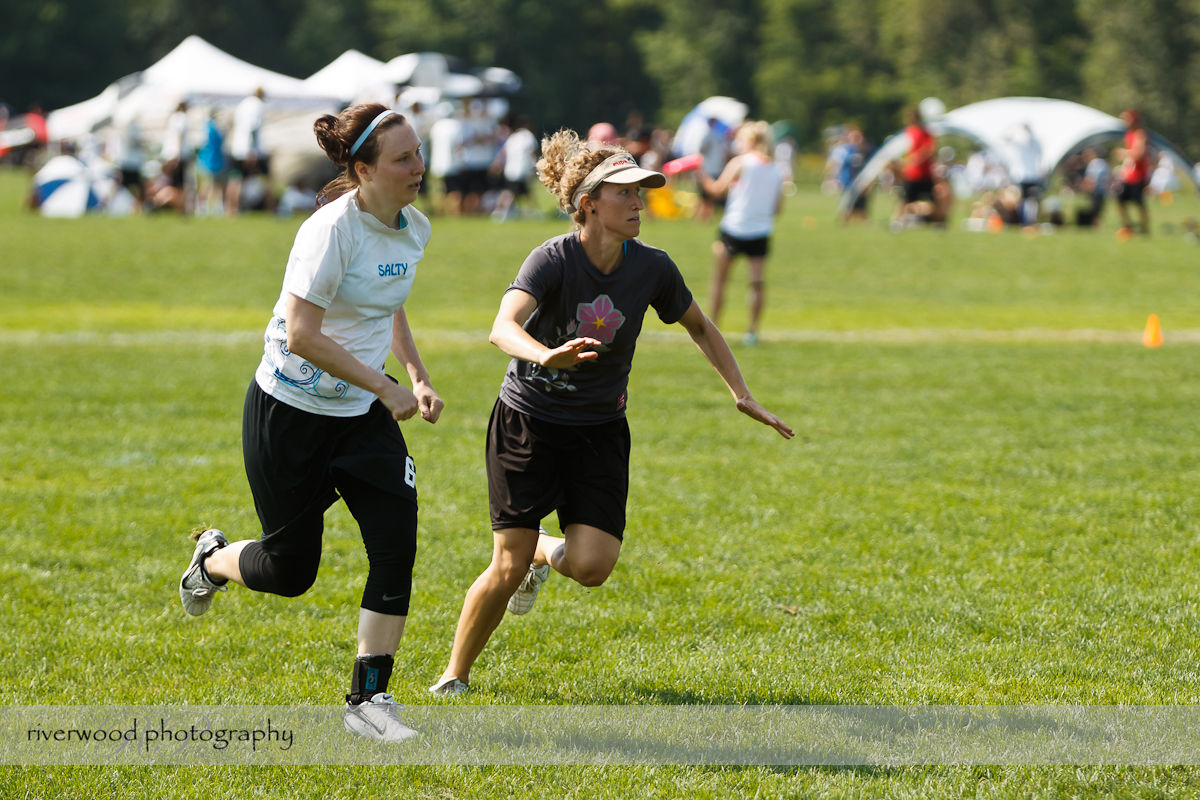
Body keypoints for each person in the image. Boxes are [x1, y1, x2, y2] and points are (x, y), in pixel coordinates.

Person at [429, 128, 793, 698]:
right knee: (507, 561)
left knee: (594, 567)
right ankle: (454, 676)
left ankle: (546, 552)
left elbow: (701, 325)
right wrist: (546, 354)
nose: (639, 201)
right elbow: (502, 327)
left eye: (642, 191)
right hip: (528, 420)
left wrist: (740, 392)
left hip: (599, 428)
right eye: (626, 192)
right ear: (589, 204)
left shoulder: (652, 267)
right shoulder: (552, 258)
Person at [177, 103, 443, 742]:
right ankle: (212, 560)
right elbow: (300, 334)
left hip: (359, 416)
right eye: (403, 158)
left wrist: (416, 375)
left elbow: (390, 303)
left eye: (418, 152)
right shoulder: (329, 231)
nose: (419, 167)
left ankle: (369, 703)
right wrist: (383, 384)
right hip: (289, 414)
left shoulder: (415, 227)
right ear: (363, 170)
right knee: (290, 572)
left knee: (396, 546)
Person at [701, 121, 784, 346]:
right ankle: (752, 332)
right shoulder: (776, 169)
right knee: (757, 284)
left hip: (734, 228)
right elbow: (778, 209)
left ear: (752, 141)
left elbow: (716, 190)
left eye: (742, 139)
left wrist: (699, 171)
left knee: (720, 281)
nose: (738, 144)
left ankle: (712, 329)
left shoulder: (741, 162)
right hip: (760, 231)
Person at [226, 88, 268, 215]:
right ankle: (272, 208)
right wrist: (252, 152)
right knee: (266, 178)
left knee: (235, 179)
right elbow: (252, 128)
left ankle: (231, 208)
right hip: (250, 150)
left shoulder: (242, 104)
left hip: (238, 148)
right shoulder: (257, 105)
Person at [1115, 108, 1151, 235]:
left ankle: (1144, 228)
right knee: (1120, 199)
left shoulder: (1140, 134)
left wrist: (1124, 153)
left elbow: (1139, 154)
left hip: (1138, 175)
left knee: (1139, 202)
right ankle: (1129, 225)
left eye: (1126, 118)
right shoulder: (1129, 134)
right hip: (1129, 175)